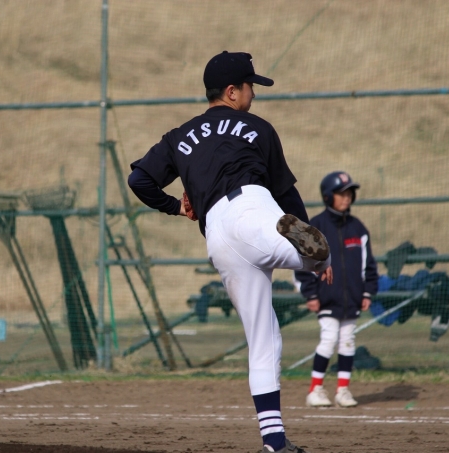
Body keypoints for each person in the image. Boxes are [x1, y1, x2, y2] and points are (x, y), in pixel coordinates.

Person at [128, 50, 332, 453]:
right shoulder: (258, 127)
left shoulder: (179, 136)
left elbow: (139, 180)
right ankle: (309, 255)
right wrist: (315, 251)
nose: (253, 93)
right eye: (250, 86)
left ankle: (273, 441)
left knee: (263, 339)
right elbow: (286, 191)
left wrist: (176, 207)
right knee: (309, 253)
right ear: (232, 91)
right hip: (254, 209)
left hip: (217, 235)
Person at [295, 171, 379, 408]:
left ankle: (343, 391)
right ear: (327, 196)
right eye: (341, 193)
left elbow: (368, 264)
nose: (347, 198)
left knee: (347, 342)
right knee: (329, 339)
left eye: (349, 193)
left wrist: (367, 292)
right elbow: (302, 263)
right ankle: (315, 390)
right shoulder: (316, 226)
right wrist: (310, 294)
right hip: (326, 297)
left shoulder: (358, 228)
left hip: (352, 298)